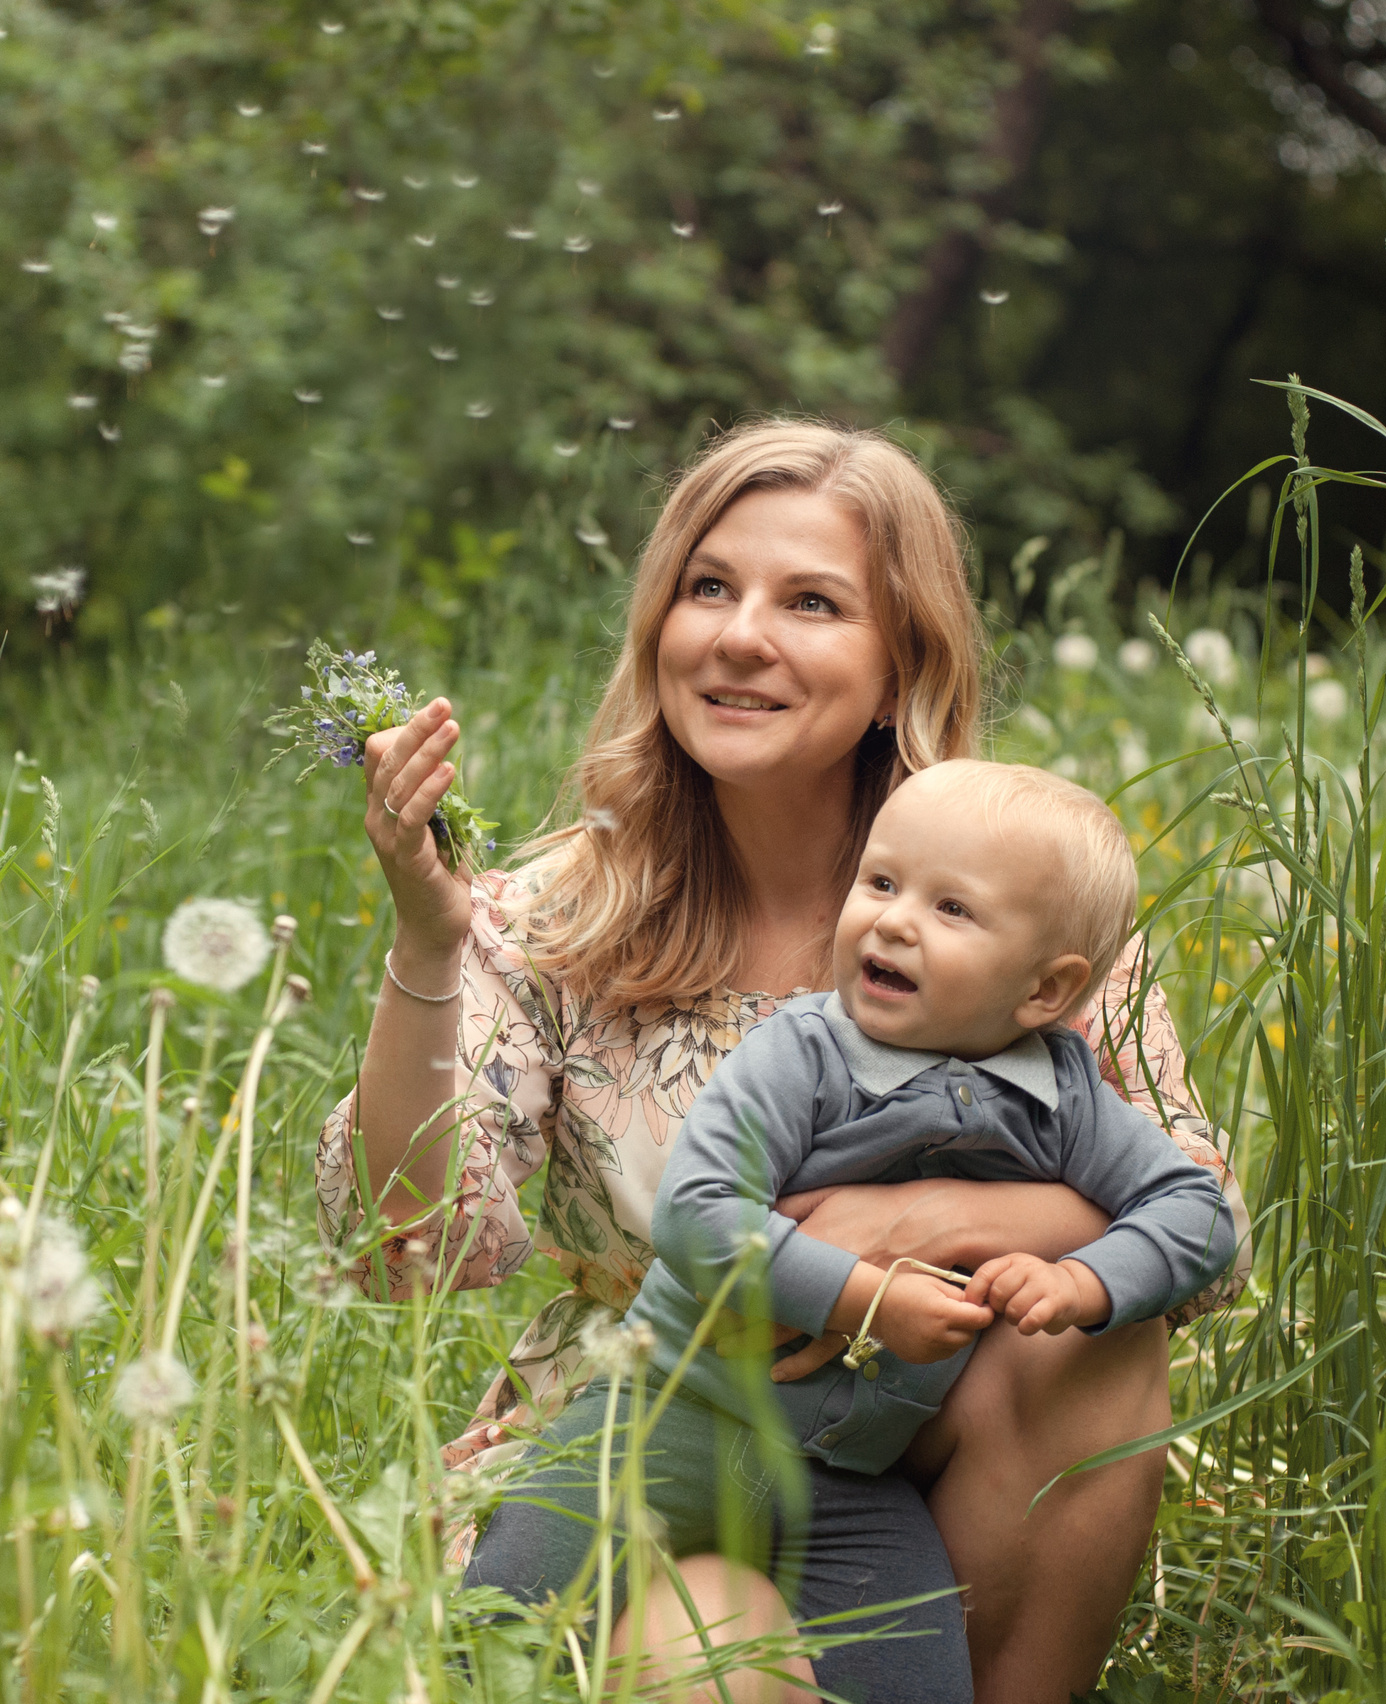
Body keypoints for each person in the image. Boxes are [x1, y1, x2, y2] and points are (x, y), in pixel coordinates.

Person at [314, 417, 1249, 1704]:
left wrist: (933, 1215)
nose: (740, 635)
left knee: (1098, 1336)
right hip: (647, 1431)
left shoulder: (1023, 912)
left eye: (810, 602)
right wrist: (430, 939)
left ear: (898, 662)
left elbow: (1204, 1225)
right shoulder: (550, 918)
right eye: (709, 588)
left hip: (911, 1436)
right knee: (713, 1638)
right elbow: (407, 1252)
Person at [457, 760, 1240, 1698]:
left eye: (953, 910)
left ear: (1045, 990)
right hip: (668, 1420)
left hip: (843, 1476)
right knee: (500, 1630)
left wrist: (1085, 1281)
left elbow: (1195, 1212)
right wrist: (867, 1298)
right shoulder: (806, 1052)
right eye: (879, 883)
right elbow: (699, 1217)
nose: (895, 920)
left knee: (914, 1674)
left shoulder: (1065, 1092)